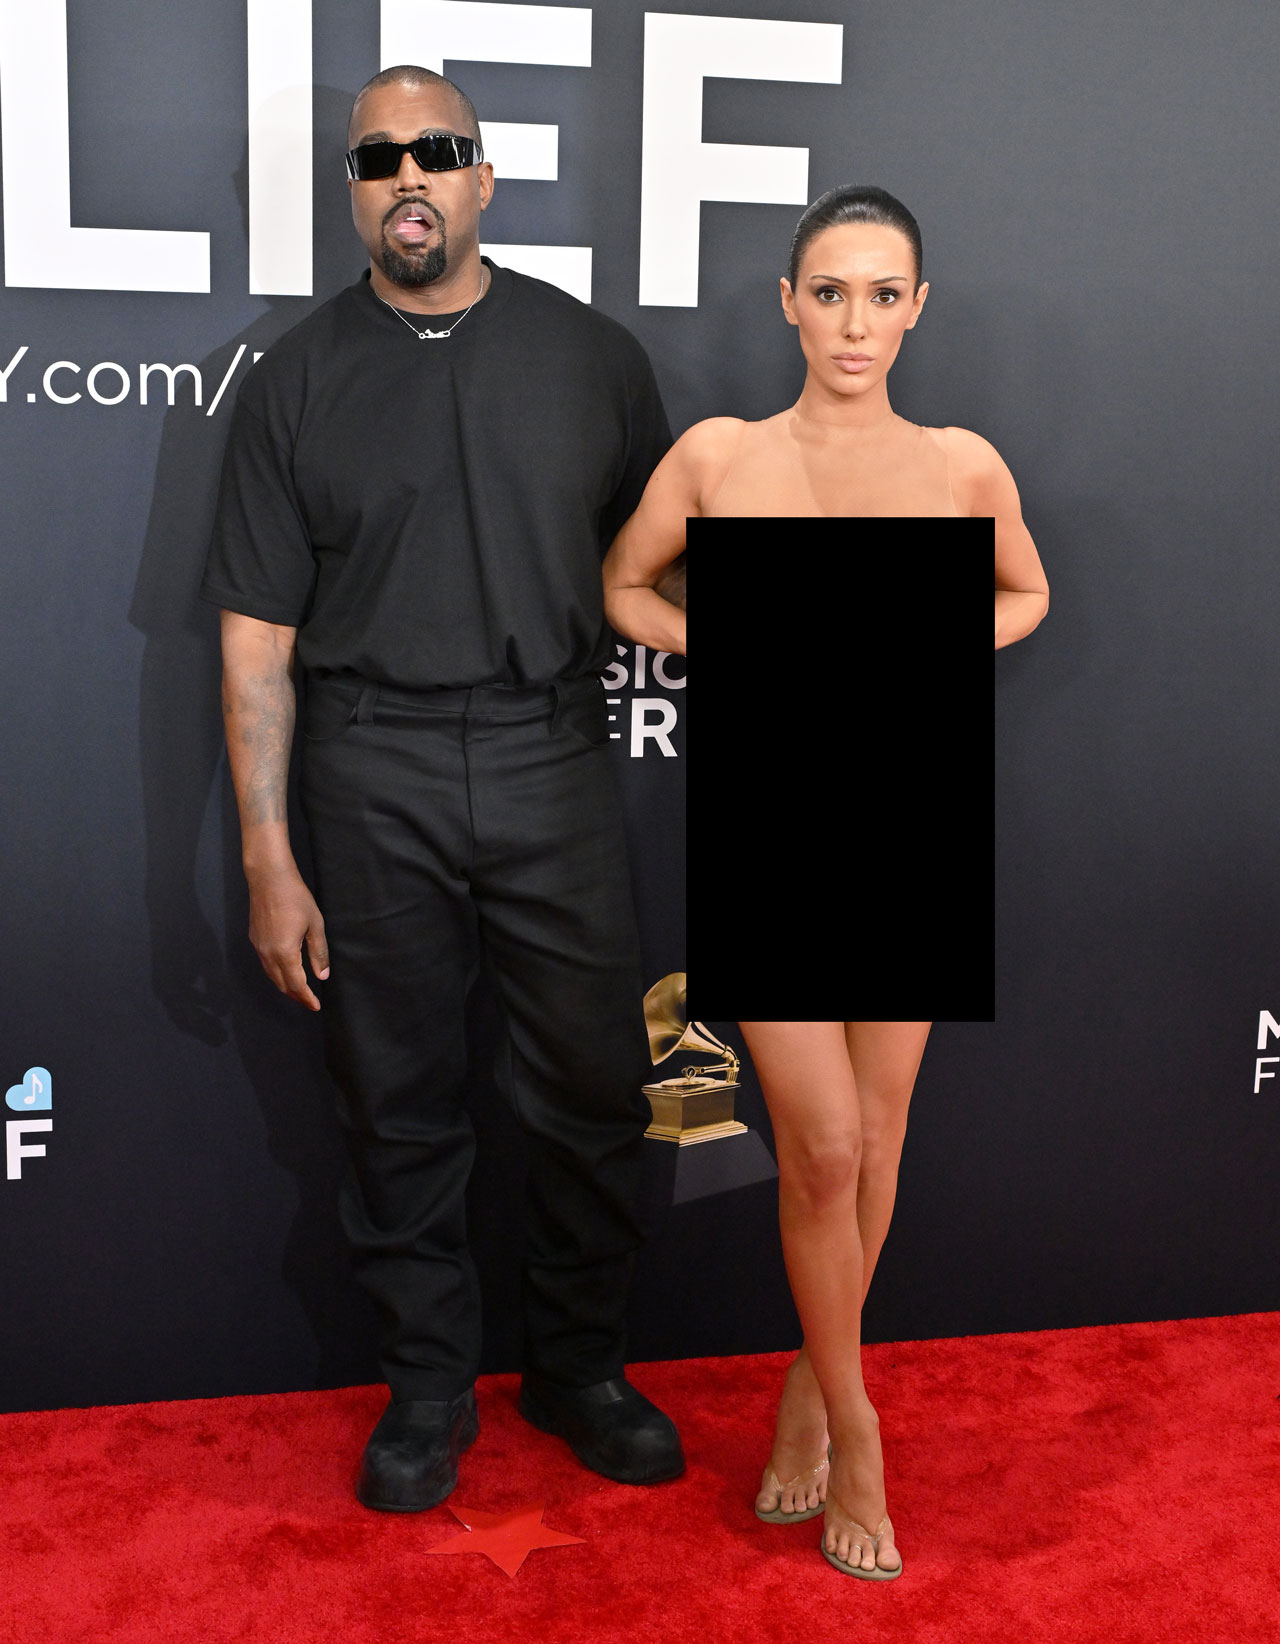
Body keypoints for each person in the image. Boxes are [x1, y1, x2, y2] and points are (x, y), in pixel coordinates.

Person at [201, 64, 684, 1512]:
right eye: (378, 158)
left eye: (437, 149)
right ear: (353, 191)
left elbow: (656, 574)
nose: (407, 175)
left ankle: (578, 1368)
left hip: (553, 751)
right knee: (396, 1097)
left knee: (596, 1087)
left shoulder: (595, 359)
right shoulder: (292, 381)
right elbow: (255, 637)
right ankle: (426, 1387)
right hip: (371, 769)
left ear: (483, 177)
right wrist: (268, 854)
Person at [602, 184, 1049, 1579]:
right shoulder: (720, 456)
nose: (856, 322)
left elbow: (1028, 594)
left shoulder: (963, 467)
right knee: (825, 1151)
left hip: (915, 828)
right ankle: (860, 1428)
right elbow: (625, 588)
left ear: (917, 310)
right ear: (789, 304)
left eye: (883, 295)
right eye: (832, 292)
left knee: (883, 1137)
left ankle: (808, 1385)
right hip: (774, 832)